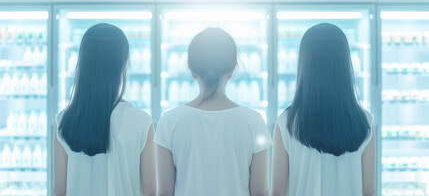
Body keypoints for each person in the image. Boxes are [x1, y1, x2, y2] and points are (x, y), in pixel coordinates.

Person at [154, 28, 272, 196]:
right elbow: (260, 192)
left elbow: (165, 193)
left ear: (192, 71)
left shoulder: (169, 121)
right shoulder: (254, 122)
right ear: (231, 71)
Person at [271, 23, 375, 196]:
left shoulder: (287, 122)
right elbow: (368, 191)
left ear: (305, 64)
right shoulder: (364, 122)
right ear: (344, 63)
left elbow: (277, 192)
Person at [54, 23, 156, 196]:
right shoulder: (142, 122)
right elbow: (151, 192)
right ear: (124, 63)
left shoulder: (64, 121)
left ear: (83, 62)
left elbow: (59, 192)